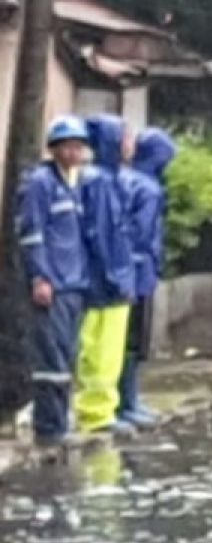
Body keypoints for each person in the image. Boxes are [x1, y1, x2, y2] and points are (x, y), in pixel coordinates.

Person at [15, 116, 91, 446]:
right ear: (55, 149)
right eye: (69, 146)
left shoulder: (70, 185)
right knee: (51, 358)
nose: (75, 152)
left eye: (79, 146)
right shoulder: (39, 184)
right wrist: (39, 277)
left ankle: (60, 422)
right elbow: (32, 234)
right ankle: (49, 427)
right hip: (53, 283)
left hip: (73, 284)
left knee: (67, 354)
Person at [76, 114, 136, 436]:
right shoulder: (99, 182)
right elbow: (102, 234)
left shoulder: (108, 179)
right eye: (125, 137)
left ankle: (101, 409)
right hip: (105, 281)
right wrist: (116, 277)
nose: (131, 144)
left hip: (109, 277)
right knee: (100, 347)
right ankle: (96, 413)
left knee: (105, 348)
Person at [118, 128, 177, 428]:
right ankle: (126, 402)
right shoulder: (149, 189)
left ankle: (126, 402)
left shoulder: (124, 180)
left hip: (125, 272)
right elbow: (141, 234)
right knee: (133, 343)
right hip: (139, 275)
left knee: (121, 342)